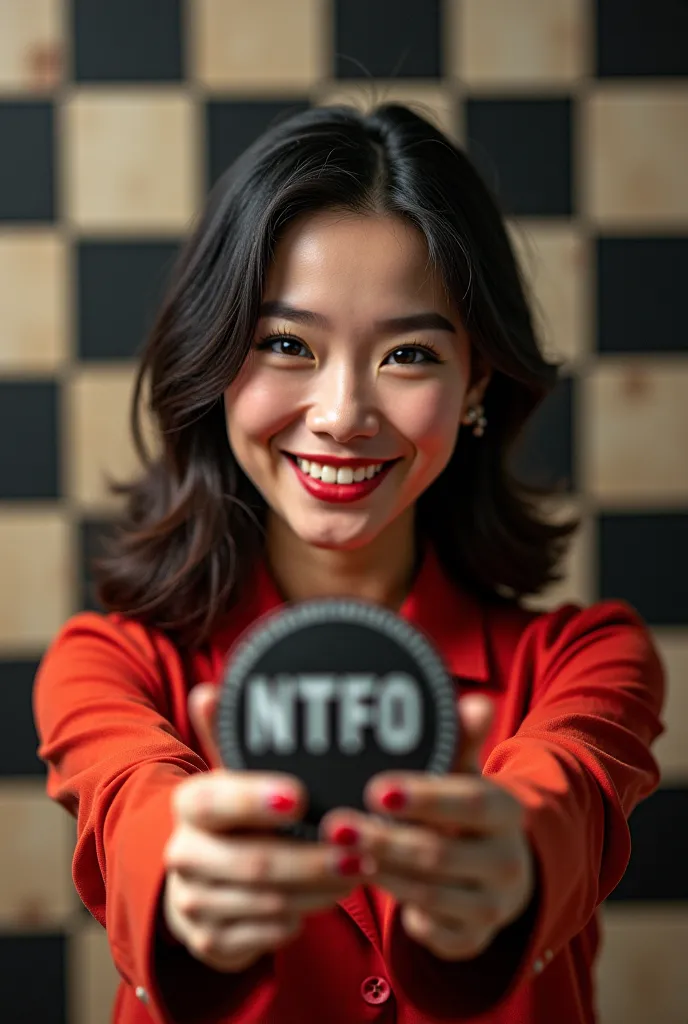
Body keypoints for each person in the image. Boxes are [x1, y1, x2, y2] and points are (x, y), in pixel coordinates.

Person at [33, 101, 665, 1024]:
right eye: (287, 345)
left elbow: (562, 799)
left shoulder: (589, 660)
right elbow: (135, 803)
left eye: (408, 354)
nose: (342, 413)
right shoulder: (110, 665)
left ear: (477, 380)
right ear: (214, 362)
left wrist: (504, 865)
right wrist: (189, 877)